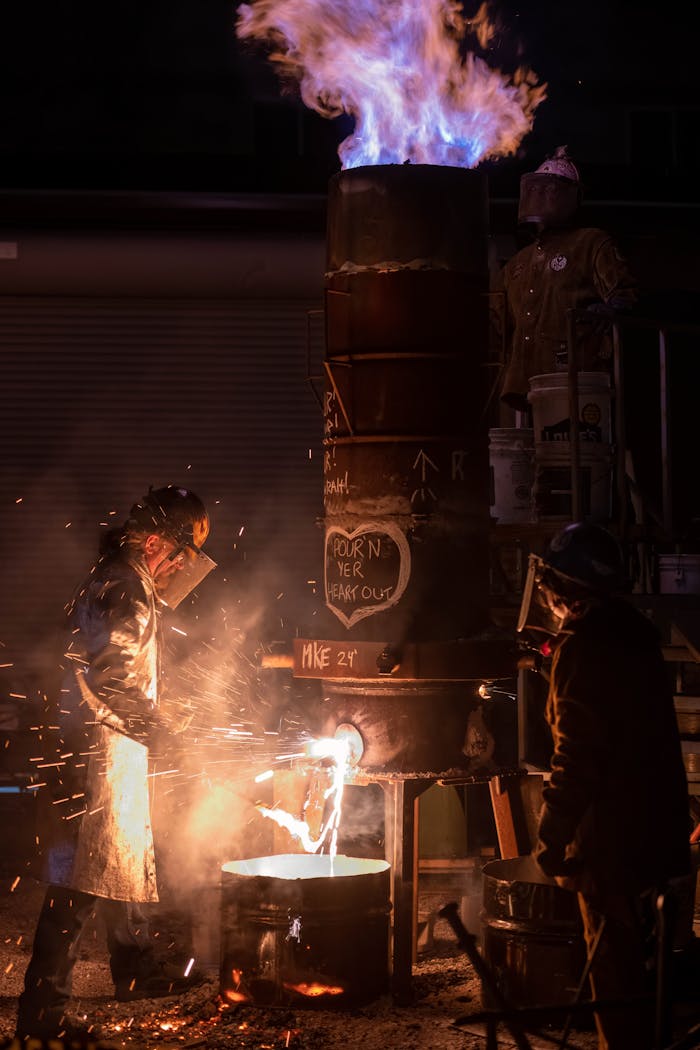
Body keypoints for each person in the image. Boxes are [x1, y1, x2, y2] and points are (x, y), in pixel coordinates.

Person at [16, 485, 217, 1044]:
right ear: (154, 541)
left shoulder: (112, 572)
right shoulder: (128, 586)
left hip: (97, 744)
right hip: (99, 750)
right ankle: (44, 1009)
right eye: (176, 554)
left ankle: (133, 969)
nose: (178, 566)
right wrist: (167, 734)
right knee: (78, 884)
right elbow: (114, 679)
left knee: (110, 864)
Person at [518, 521, 693, 1050]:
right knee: (657, 976)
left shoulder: (580, 647)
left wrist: (550, 836)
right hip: (661, 831)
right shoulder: (633, 632)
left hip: (612, 844)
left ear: (562, 587)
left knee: (615, 980)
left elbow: (578, 755)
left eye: (548, 582)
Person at [494, 145, 639, 412]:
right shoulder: (518, 264)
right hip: (522, 389)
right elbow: (496, 321)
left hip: (576, 382)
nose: (543, 197)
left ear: (571, 197)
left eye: (552, 190)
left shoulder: (591, 243)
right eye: (539, 189)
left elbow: (624, 294)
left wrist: (607, 312)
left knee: (571, 452)